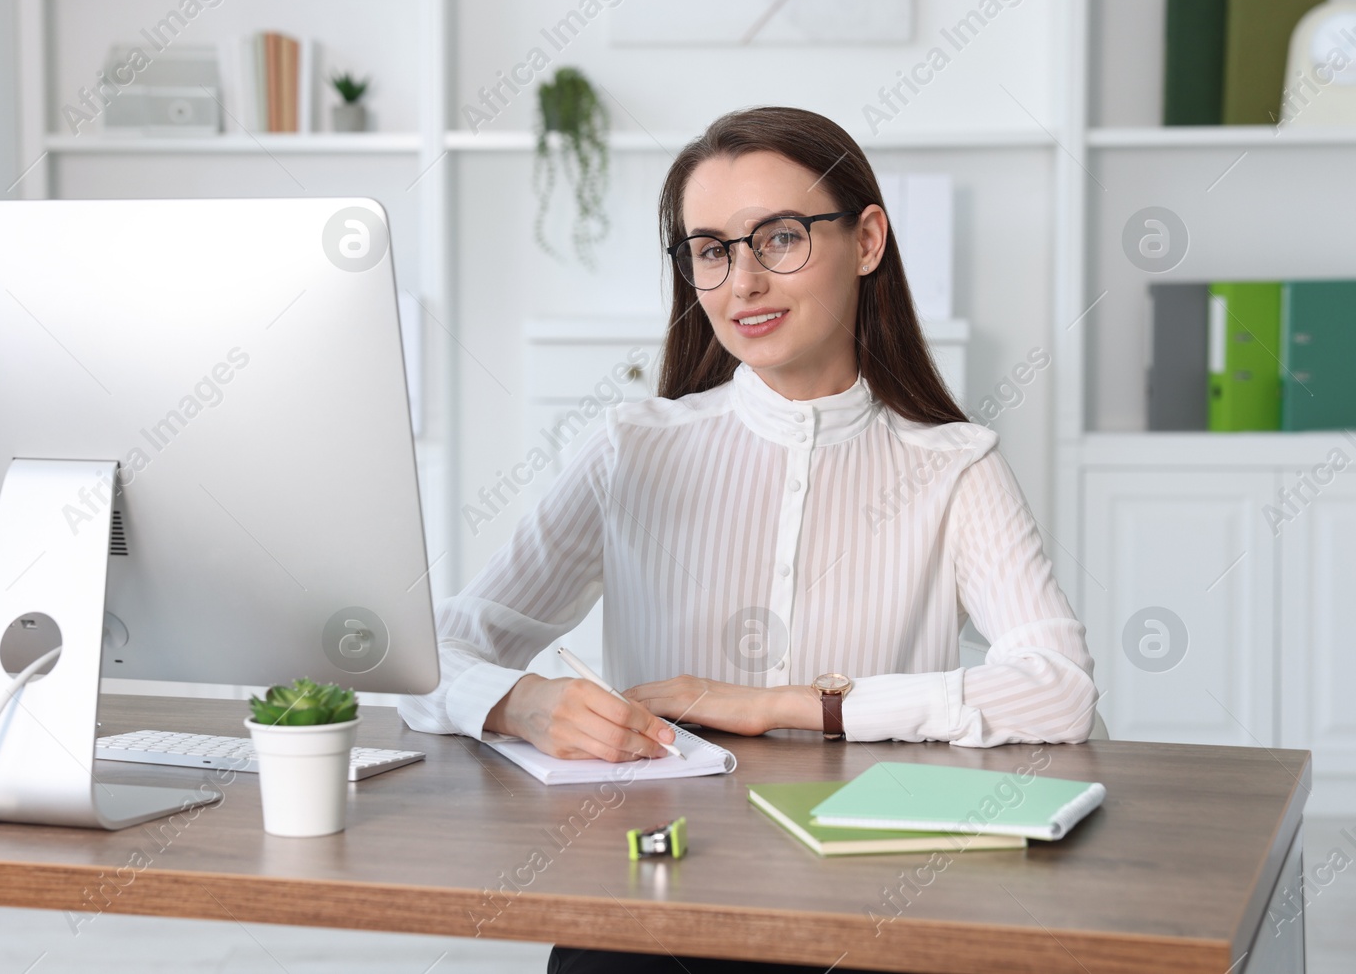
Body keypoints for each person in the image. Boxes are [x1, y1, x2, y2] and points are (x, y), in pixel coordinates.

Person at [398, 106, 1097, 974]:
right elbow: (435, 651)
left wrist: (789, 705)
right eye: (713, 250)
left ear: (868, 239)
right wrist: (524, 703)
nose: (743, 282)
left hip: (878, 904)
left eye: (780, 237)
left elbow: (1058, 687)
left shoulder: (953, 464)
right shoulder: (633, 447)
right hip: (653, 899)